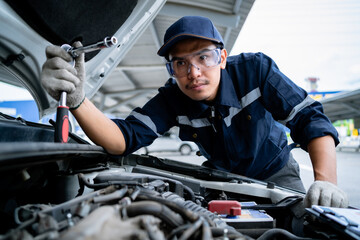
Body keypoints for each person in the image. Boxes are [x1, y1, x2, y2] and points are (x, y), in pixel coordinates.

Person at [41, 16, 348, 208]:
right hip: (222, 182)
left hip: (278, 176)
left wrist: (327, 182)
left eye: (204, 57)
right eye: (181, 63)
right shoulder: (172, 99)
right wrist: (79, 100)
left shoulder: (256, 71)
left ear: (223, 57)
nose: (194, 71)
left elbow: (311, 119)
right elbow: (124, 138)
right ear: (172, 69)